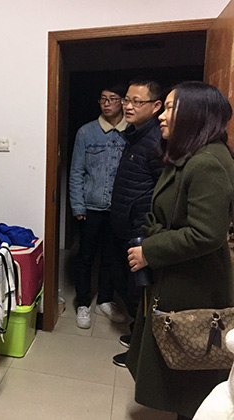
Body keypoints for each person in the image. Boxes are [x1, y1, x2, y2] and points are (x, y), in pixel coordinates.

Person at [127, 81, 234, 420]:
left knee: (192, 358)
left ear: (195, 114)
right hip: (179, 274)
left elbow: (206, 233)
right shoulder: (188, 156)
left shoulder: (208, 163)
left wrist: (150, 250)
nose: (162, 115)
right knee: (178, 361)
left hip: (196, 283)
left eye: (171, 107)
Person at [110, 78, 164, 367]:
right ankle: (137, 337)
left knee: (140, 292)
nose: (128, 106)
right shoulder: (136, 135)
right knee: (129, 287)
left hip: (141, 231)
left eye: (137, 102)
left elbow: (161, 191)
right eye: (126, 100)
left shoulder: (157, 141)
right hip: (126, 227)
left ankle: (140, 354)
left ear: (156, 106)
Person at [69, 84, 129, 329]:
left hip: (119, 208)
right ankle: (83, 303)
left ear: (122, 102)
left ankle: (105, 300)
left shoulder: (132, 132)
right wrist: (77, 206)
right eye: (103, 99)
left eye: (112, 99)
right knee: (85, 256)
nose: (106, 103)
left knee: (111, 257)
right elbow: (76, 171)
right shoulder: (86, 132)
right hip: (91, 206)